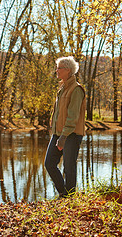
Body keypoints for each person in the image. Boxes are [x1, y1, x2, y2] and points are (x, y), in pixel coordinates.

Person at [44, 56, 86, 198]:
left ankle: (69, 198)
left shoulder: (76, 89)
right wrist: (55, 130)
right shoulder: (62, 88)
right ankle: (64, 193)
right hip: (58, 133)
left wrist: (63, 136)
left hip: (71, 134)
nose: (57, 70)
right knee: (49, 163)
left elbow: (73, 116)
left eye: (59, 68)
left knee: (69, 167)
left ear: (68, 70)